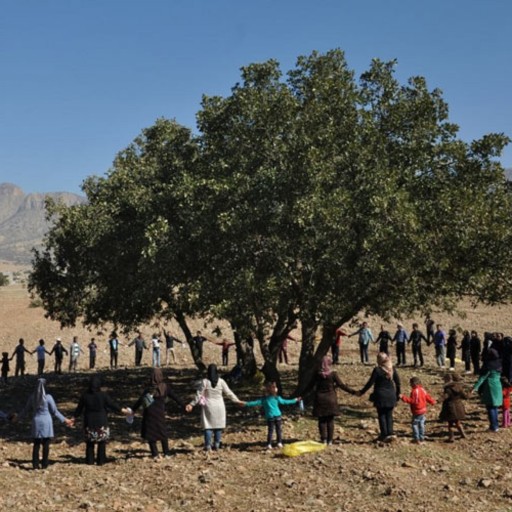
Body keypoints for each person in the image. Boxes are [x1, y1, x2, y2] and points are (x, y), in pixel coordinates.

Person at [73, 375, 131, 465]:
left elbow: (79, 409)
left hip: (89, 422)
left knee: (90, 443)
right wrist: (123, 410)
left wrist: (73, 418)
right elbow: (112, 405)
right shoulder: (103, 395)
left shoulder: (85, 396)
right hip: (101, 422)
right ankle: (101, 460)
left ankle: (90, 461)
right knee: (102, 443)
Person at [17, 378, 73, 469]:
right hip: (46, 421)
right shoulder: (48, 398)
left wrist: (17, 418)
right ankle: (44, 464)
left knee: (36, 444)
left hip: (36, 421)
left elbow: (25, 410)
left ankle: (35, 464)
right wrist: (65, 420)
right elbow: (55, 411)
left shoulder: (32, 397)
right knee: (46, 444)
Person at [131, 368, 186, 458]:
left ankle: (155, 453)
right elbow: (175, 397)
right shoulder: (165, 387)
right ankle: (166, 452)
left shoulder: (148, 389)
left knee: (151, 433)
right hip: (160, 414)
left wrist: (132, 410)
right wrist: (184, 405)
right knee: (163, 432)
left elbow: (140, 401)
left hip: (149, 414)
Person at [185, 364, 242, 451]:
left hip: (209, 405)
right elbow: (229, 393)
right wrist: (237, 401)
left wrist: (191, 404)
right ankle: (217, 444)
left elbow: (199, 395)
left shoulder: (205, 382)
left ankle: (208, 445)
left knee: (208, 426)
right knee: (218, 426)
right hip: (219, 405)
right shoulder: (221, 381)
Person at [310, 356, 356, 445]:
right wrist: (353, 392)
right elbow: (341, 385)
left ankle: (323, 439)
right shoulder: (333, 374)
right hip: (331, 399)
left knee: (322, 420)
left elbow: (310, 386)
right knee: (330, 420)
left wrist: (300, 395)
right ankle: (330, 440)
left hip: (320, 399)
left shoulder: (317, 374)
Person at [242, 381, 300, 450]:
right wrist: (295, 400)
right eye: (275, 387)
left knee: (270, 430)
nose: (277, 388)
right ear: (273, 389)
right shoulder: (277, 398)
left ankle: (269, 444)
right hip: (278, 416)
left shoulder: (264, 399)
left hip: (270, 417)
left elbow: (255, 403)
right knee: (278, 430)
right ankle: (279, 442)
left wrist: (245, 403)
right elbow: (285, 402)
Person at [357, 352, 401, 442]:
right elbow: (398, 383)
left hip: (380, 395)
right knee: (389, 415)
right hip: (391, 395)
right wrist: (397, 394)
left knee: (381, 415)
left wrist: (362, 392)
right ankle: (390, 433)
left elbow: (370, 383)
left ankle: (384, 434)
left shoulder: (377, 370)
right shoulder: (392, 369)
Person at [472, 347, 503, 432]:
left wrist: (475, 387)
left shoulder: (488, 365)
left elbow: (482, 377)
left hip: (490, 386)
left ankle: (493, 427)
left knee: (490, 407)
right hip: (498, 385)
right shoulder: (499, 363)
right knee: (495, 407)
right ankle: (496, 425)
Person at [400, 376, 436, 443]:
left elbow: (412, 401)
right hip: (423, 409)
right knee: (421, 423)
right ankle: (422, 437)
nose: (410, 385)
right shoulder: (422, 389)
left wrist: (403, 397)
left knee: (415, 424)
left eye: (411, 384)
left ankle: (417, 438)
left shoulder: (414, 391)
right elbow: (427, 397)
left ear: (414, 384)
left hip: (417, 410)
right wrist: (432, 401)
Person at [440, 373, 467, 441]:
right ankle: (463, 434)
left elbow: (446, 396)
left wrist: (438, 400)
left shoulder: (448, 389)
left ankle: (451, 437)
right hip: (459, 406)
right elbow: (465, 396)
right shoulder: (459, 387)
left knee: (450, 424)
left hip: (450, 407)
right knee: (458, 422)